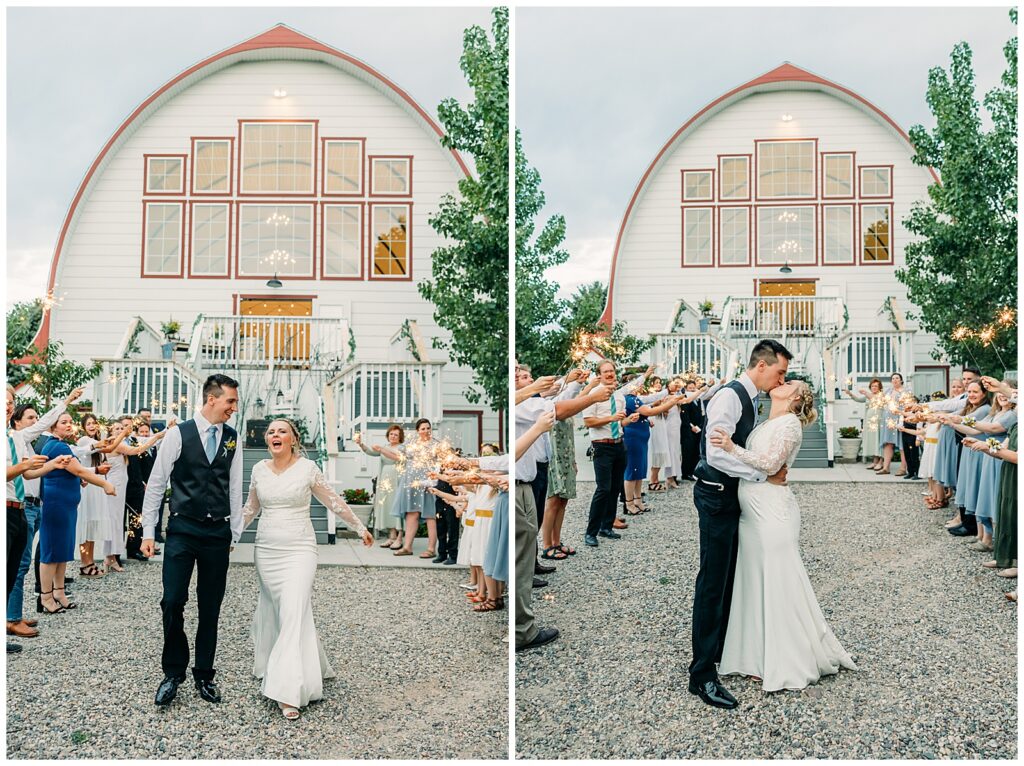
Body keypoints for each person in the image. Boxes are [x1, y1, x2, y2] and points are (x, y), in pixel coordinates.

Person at [710, 381, 857, 691]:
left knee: (777, 580)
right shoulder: (769, 421)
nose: (781, 382)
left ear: (795, 397)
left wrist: (730, 447)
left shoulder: (790, 424)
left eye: (789, 382)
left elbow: (772, 464)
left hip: (772, 512)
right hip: (752, 512)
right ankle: (754, 655)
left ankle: (785, 656)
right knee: (754, 580)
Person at [242, 419, 373, 719]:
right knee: (281, 610)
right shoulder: (259, 469)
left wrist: (358, 525)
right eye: (271, 431)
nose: (276, 435)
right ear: (267, 440)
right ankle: (300, 663)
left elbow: (333, 501)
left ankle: (288, 690)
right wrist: (231, 535)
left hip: (300, 549)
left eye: (282, 431)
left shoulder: (307, 468)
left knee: (293, 607)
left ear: (293, 440)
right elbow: (251, 508)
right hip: (267, 550)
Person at [688, 339, 791, 710]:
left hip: (732, 496)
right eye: (780, 372)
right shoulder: (730, 397)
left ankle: (717, 650)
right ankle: (701, 675)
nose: (782, 380)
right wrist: (763, 477)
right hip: (715, 496)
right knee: (713, 582)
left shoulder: (751, 398)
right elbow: (715, 451)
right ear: (761, 366)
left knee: (729, 577)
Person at [140, 374, 243, 708]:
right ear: (211, 399)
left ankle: (204, 674)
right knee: (172, 600)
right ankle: (172, 672)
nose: (233, 408)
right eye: (230, 401)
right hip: (183, 529)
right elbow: (156, 483)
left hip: (218, 533)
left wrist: (235, 532)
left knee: (210, 606)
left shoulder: (232, 437)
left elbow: (235, 486)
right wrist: (149, 532)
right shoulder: (177, 434)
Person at [7, 386, 86, 640]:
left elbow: (29, 473)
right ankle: (12, 618)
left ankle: (12, 615)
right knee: (17, 566)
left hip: (26, 505)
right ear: (18, 421)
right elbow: (21, 470)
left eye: (11, 401)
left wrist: (67, 400)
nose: (8, 404)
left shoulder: (18, 438)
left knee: (17, 566)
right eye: (5, 401)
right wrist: (25, 465)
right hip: (11, 507)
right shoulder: (17, 441)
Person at [38, 413, 117, 615]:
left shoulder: (62, 444)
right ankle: (46, 597)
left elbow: (74, 472)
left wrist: (76, 479)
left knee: (63, 550)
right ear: (53, 426)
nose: (69, 425)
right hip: (56, 506)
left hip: (67, 506)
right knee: (51, 552)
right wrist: (105, 483)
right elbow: (80, 471)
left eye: (70, 422)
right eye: (64, 422)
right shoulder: (57, 446)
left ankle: (60, 592)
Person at [581, 363, 656, 547]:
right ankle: (591, 532)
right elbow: (589, 422)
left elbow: (619, 422)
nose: (610, 374)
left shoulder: (618, 395)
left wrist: (627, 421)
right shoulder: (594, 395)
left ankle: (606, 527)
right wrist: (611, 419)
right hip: (602, 446)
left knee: (615, 488)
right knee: (603, 489)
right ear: (599, 375)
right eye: (606, 371)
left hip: (619, 445)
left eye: (612, 371)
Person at [375, 419, 441, 559]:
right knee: (412, 514)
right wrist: (382, 450)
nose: (426, 431)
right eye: (423, 428)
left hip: (428, 483)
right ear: (418, 430)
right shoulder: (411, 444)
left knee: (430, 515)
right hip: (411, 483)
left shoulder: (436, 444)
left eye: (428, 428)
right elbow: (398, 458)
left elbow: (441, 462)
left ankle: (431, 549)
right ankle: (407, 547)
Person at [74, 414, 113, 576]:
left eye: (94, 423)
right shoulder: (84, 441)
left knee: (93, 525)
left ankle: (90, 561)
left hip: (97, 487)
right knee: (86, 524)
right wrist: (122, 434)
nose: (92, 426)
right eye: (88, 424)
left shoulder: (97, 442)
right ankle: (84, 562)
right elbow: (106, 447)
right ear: (83, 427)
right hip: (88, 486)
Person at [354, 426, 404, 550]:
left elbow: (396, 457)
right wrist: (361, 444)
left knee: (397, 506)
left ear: (400, 437)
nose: (393, 436)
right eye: (391, 434)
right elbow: (370, 451)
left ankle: (400, 537)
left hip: (397, 479)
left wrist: (381, 449)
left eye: (396, 435)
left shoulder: (402, 448)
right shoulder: (385, 447)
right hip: (385, 480)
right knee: (388, 506)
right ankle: (392, 535)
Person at [126, 421, 158, 561]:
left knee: (137, 518)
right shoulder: (127, 443)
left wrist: (145, 481)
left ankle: (136, 547)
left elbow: (146, 465)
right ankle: (121, 550)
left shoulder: (135, 442)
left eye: (147, 431)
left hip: (138, 485)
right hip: (126, 485)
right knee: (125, 520)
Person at [844, 378, 884, 469]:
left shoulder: (881, 395)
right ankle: (875, 461)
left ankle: (881, 462)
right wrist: (850, 394)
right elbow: (858, 399)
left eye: (876, 386)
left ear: (879, 387)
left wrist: (866, 393)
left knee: (878, 440)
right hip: (869, 422)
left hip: (878, 421)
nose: (874, 387)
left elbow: (875, 400)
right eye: (873, 386)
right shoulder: (868, 396)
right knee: (873, 441)